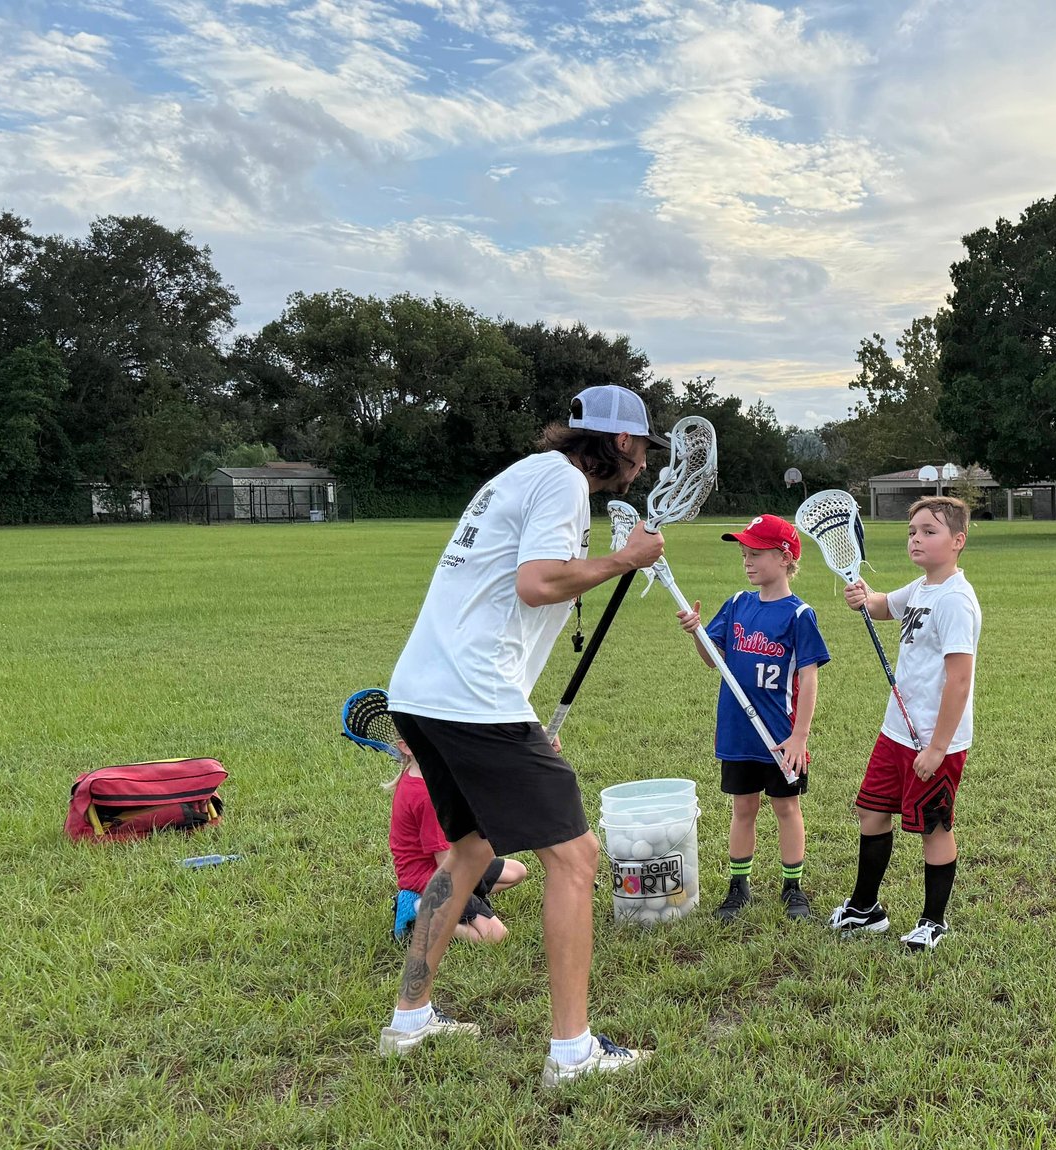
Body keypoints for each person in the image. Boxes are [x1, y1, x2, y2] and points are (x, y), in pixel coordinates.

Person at [381, 384, 669, 1086]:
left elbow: (513, 590)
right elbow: (538, 583)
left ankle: (408, 1021)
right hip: (471, 695)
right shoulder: (564, 483)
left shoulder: (523, 473)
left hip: (424, 690)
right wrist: (624, 561)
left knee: (472, 848)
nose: (640, 469)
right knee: (575, 858)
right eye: (641, 452)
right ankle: (573, 1054)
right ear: (622, 443)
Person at [828, 496, 982, 952]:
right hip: (896, 730)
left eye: (929, 531)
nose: (916, 538)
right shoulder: (921, 588)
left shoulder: (956, 601)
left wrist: (936, 748)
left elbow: (959, 680)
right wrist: (862, 597)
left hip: (936, 740)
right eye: (912, 531)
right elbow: (880, 606)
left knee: (934, 827)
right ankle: (865, 908)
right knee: (871, 812)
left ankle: (933, 921)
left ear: (957, 541)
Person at [677, 514, 829, 923]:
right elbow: (713, 661)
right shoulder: (737, 604)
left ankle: (792, 885)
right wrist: (697, 633)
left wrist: (800, 737)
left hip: (779, 735)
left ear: (784, 557)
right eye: (744, 553)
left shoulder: (799, 615)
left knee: (786, 808)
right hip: (738, 733)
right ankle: (738, 885)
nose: (747, 561)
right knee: (742, 809)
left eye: (756, 553)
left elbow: (809, 678)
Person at [387, 736, 526, 944]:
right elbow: (445, 866)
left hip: (452, 863)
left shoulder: (435, 776)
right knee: (496, 937)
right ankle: (420, 916)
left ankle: (451, 907)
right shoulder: (426, 795)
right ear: (406, 746)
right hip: (430, 877)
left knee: (516, 872)